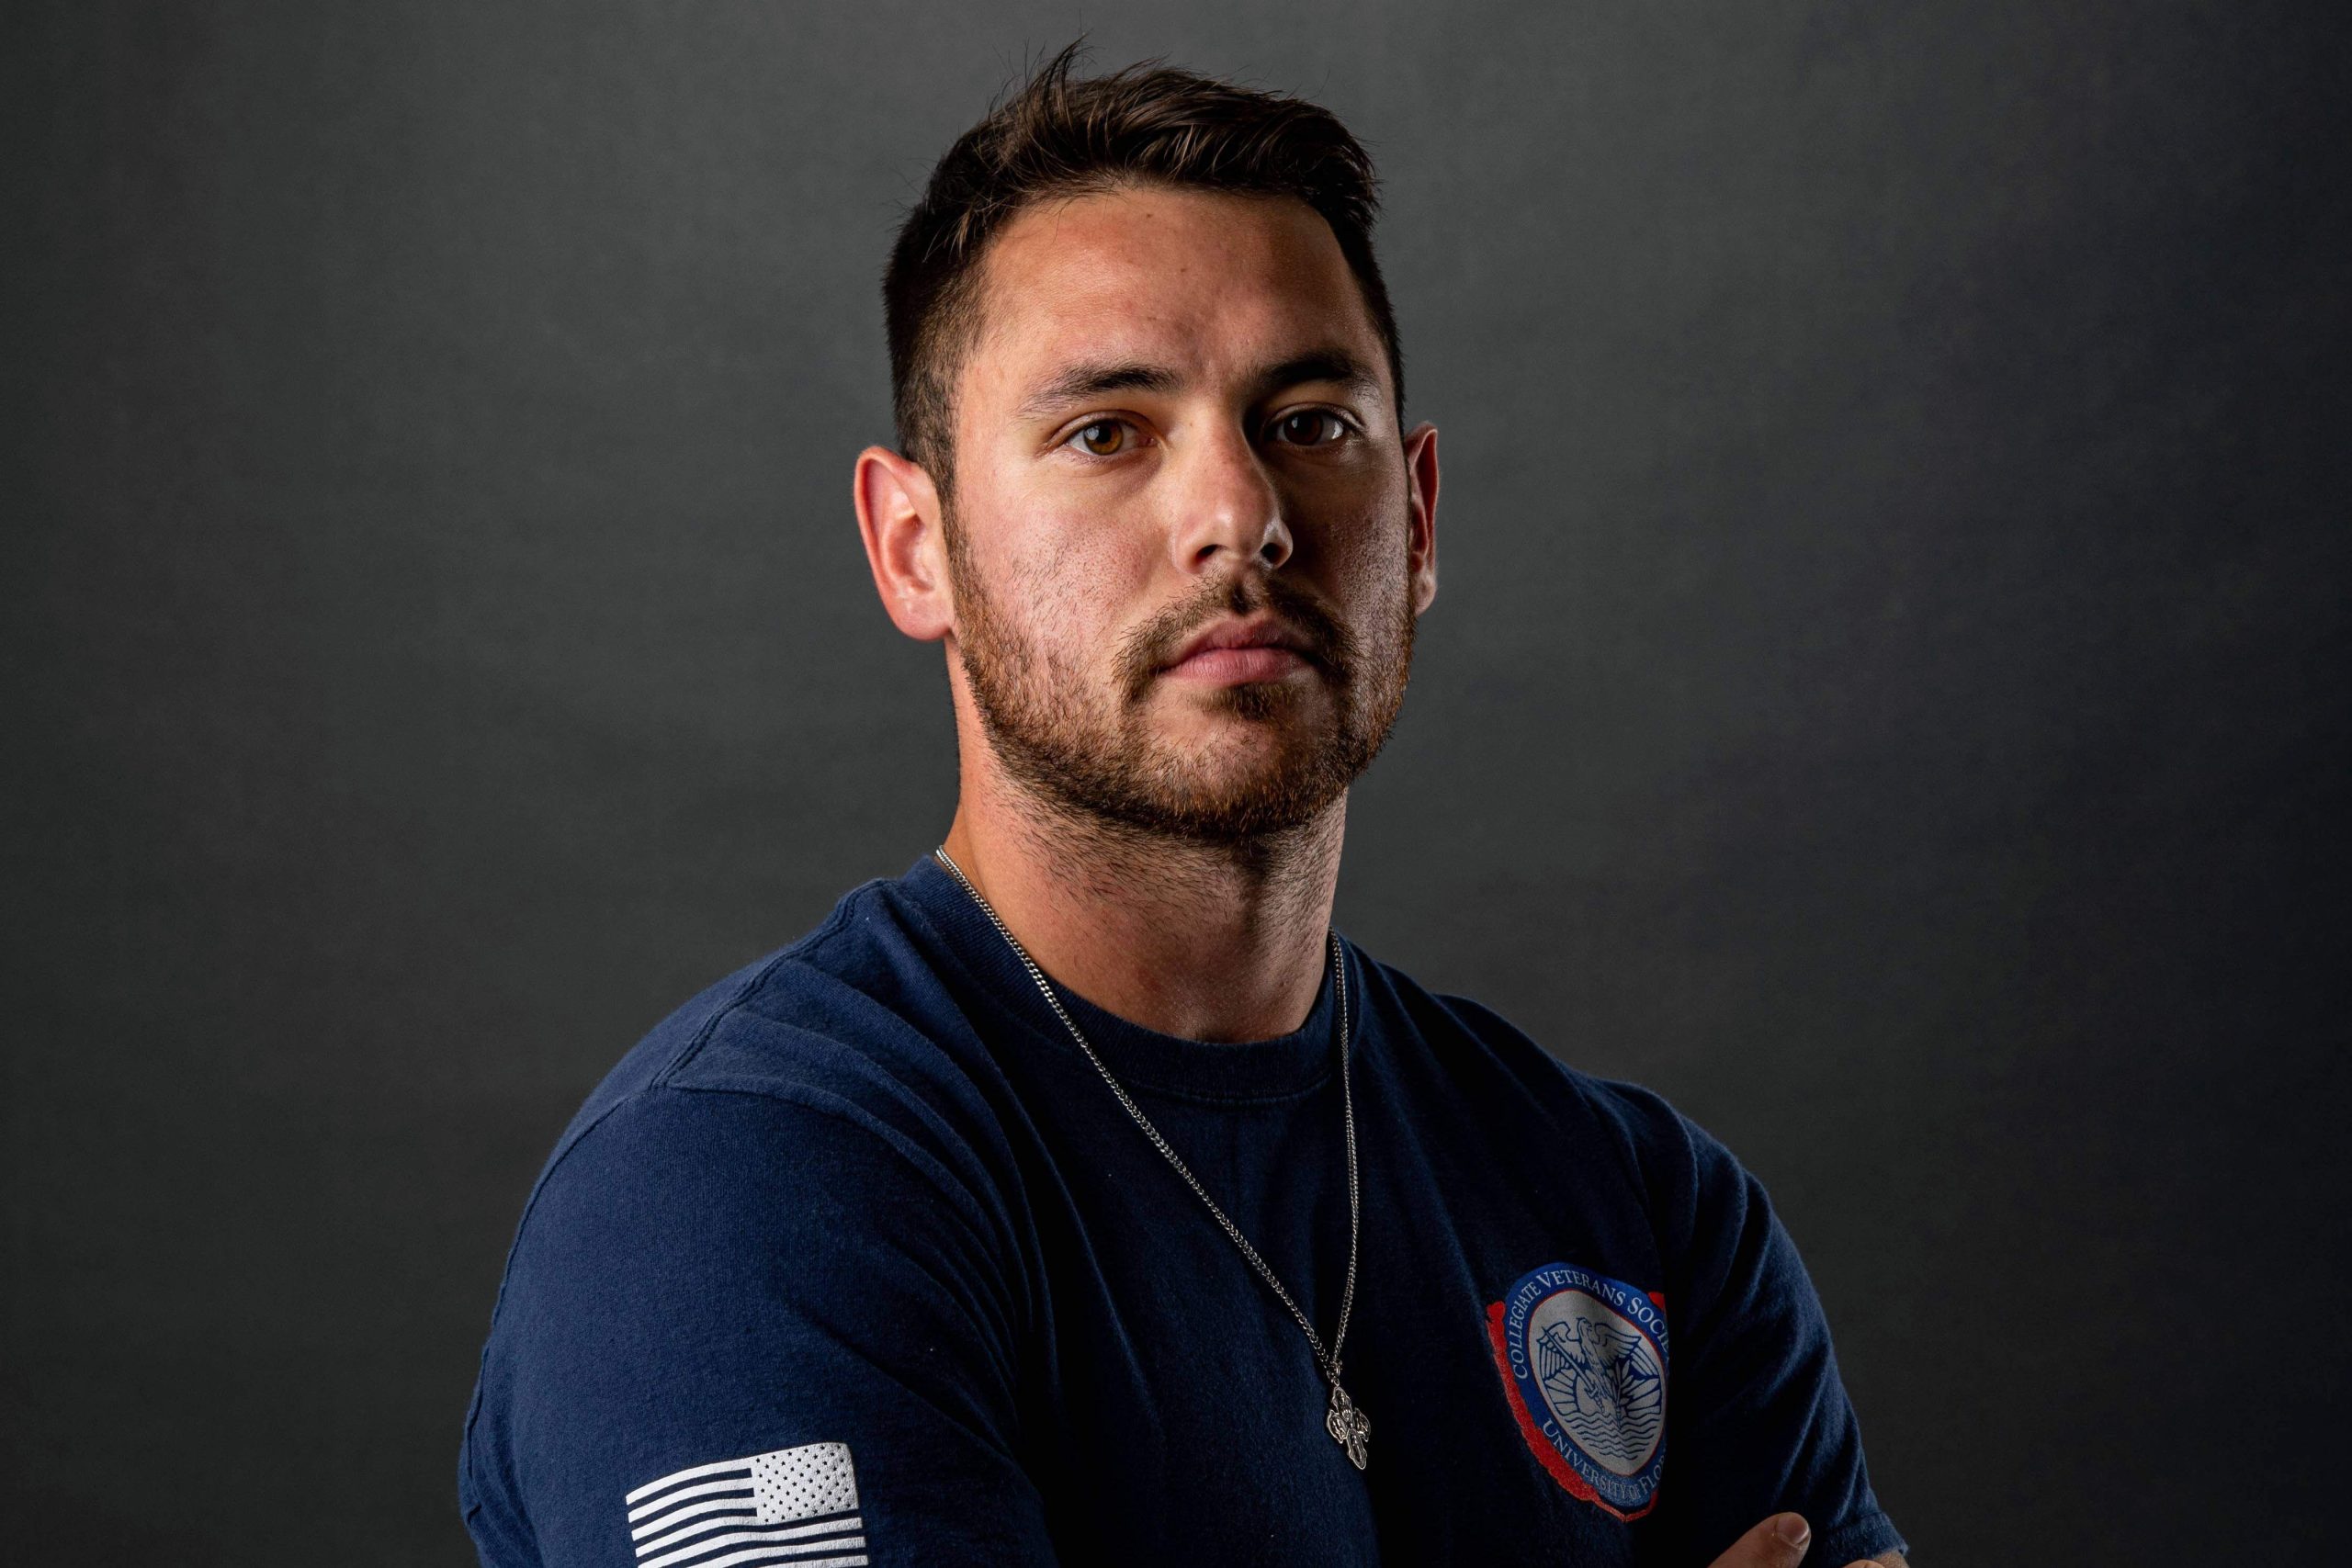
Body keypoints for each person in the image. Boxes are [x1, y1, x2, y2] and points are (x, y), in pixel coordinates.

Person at [458, 44, 1910, 1568]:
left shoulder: (1642, 1210)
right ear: (914, 547)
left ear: (1415, 521)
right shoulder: (739, 1198)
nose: (1241, 516)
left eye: (1308, 421)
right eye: (1108, 432)